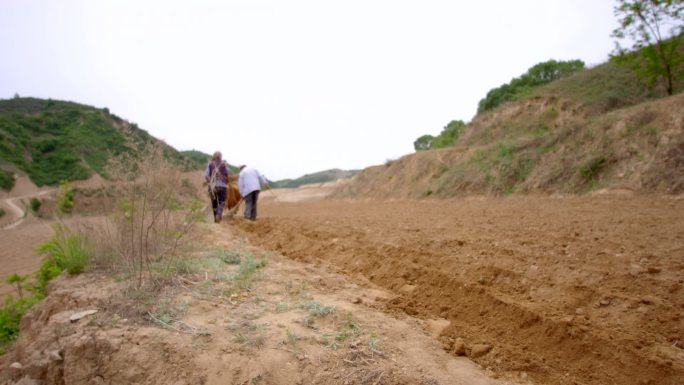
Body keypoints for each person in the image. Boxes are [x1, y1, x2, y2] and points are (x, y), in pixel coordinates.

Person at [204, 151, 230, 223]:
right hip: (222, 186)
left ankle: (216, 219)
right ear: (221, 156)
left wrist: (210, 182)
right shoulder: (224, 164)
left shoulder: (210, 164)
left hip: (213, 187)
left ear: (214, 156)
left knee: (214, 202)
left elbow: (206, 176)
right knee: (222, 201)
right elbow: (228, 173)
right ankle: (219, 214)